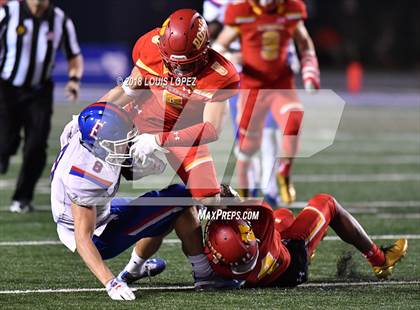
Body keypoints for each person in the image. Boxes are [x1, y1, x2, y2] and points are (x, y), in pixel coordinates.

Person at [51, 102, 240, 301]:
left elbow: (115, 158)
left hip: (97, 213)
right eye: (123, 141)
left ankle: (134, 270)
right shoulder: (86, 177)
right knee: (180, 196)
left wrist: (137, 168)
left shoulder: (83, 136)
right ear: (104, 145)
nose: (128, 143)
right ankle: (205, 275)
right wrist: (110, 283)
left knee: (162, 211)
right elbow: (83, 238)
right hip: (98, 237)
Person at [99, 9, 240, 206]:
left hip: (182, 131)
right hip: (140, 117)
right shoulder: (150, 47)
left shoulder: (220, 75)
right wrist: (89, 115)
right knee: (94, 154)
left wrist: (158, 140)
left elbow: (212, 129)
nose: (178, 71)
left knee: (209, 198)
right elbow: (127, 92)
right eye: (172, 63)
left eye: (187, 65)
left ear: (204, 51)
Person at [213, 0, 320, 204]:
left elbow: (304, 41)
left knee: (294, 118)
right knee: (247, 148)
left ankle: (284, 171)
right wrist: (230, 57)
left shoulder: (291, 9)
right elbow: (219, 46)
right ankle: (244, 197)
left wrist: (310, 69)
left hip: (281, 84)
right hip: (253, 87)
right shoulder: (241, 11)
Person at [205, 194, 408, 287]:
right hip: (292, 260)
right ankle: (381, 260)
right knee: (327, 203)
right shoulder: (263, 221)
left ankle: (313, 240)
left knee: (284, 215)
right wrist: (224, 196)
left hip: (267, 271)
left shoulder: (218, 265)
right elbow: (252, 203)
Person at [0, 0, 83, 213]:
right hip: (6, 88)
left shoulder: (60, 19)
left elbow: (74, 55)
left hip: (39, 91)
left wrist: (74, 80)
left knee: (36, 146)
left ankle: (22, 197)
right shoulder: (8, 12)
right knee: (4, 142)